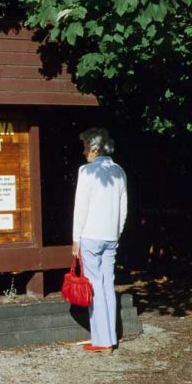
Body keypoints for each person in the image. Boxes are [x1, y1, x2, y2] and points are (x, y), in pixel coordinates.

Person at [72, 128, 127, 353]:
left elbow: (80, 208)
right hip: (111, 236)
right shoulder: (119, 171)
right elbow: (124, 208)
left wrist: (76, 239)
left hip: (91, 235)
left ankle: (101, 340)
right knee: (107, 284)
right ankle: (110, 338)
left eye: (86, 146)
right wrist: (117, 232)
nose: (84, 152)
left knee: (94, 286)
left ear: (95, 148)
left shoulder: (86, 172)